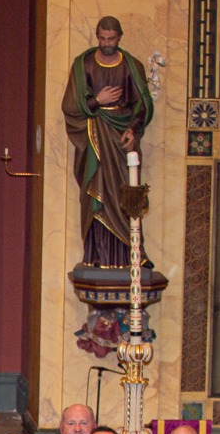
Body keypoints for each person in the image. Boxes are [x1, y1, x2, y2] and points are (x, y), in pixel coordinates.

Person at [62, 16, 153, 268]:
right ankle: (96, 256)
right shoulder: (84, 65)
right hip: (94, 138)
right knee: (96, 194)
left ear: (119, 37)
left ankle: (129, 256)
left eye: (111, 39)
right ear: (97, 36)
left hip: (121, 139)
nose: (106, 43)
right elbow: (70, 105)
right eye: (102, 38)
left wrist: (133, 130)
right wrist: (96, 102)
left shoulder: (131, 66)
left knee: (124, 193)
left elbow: (142, 104)